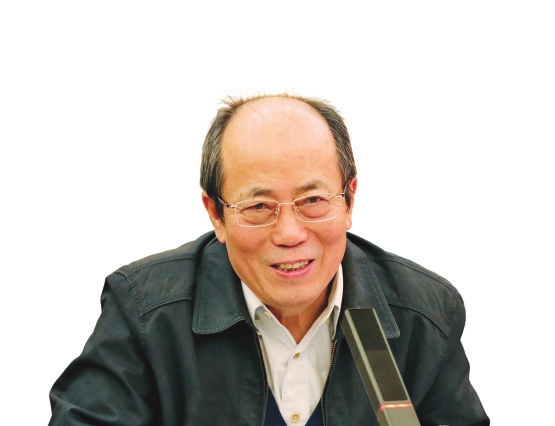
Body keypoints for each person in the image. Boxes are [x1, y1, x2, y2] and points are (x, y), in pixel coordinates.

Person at [49, 94, 489, 425]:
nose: (290, 234)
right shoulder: (147, 312)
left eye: (313, 200)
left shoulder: (424, 317)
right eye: (258, 207)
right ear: (216, 214)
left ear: (349, 200)